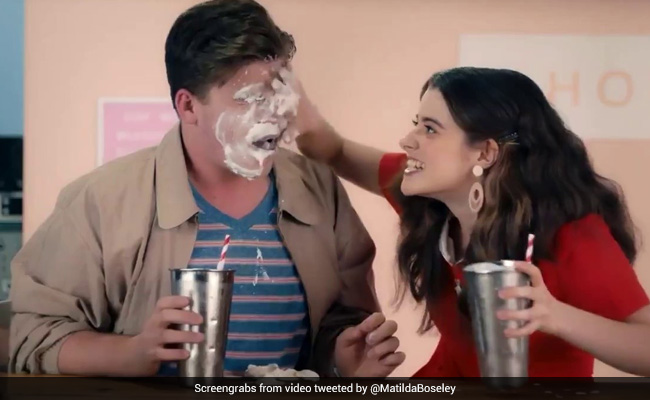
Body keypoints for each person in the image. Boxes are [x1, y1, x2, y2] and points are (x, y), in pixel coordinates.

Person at [9, 0, 405, 377]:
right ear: (188, 107)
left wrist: (342, 361)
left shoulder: (319, 188)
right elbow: (31, 335)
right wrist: (132, 353)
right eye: (250, 99)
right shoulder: (100, 201)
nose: (275, 115)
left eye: (280, 94)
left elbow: (346, 320)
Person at [295, 66, 650, 377]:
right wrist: (282, 81)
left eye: (430, 129)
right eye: (417, 124)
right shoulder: (424, 200)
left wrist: (555, 316)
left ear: (485, 152)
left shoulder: (570, 233)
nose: (407, 141)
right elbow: (331, 149)